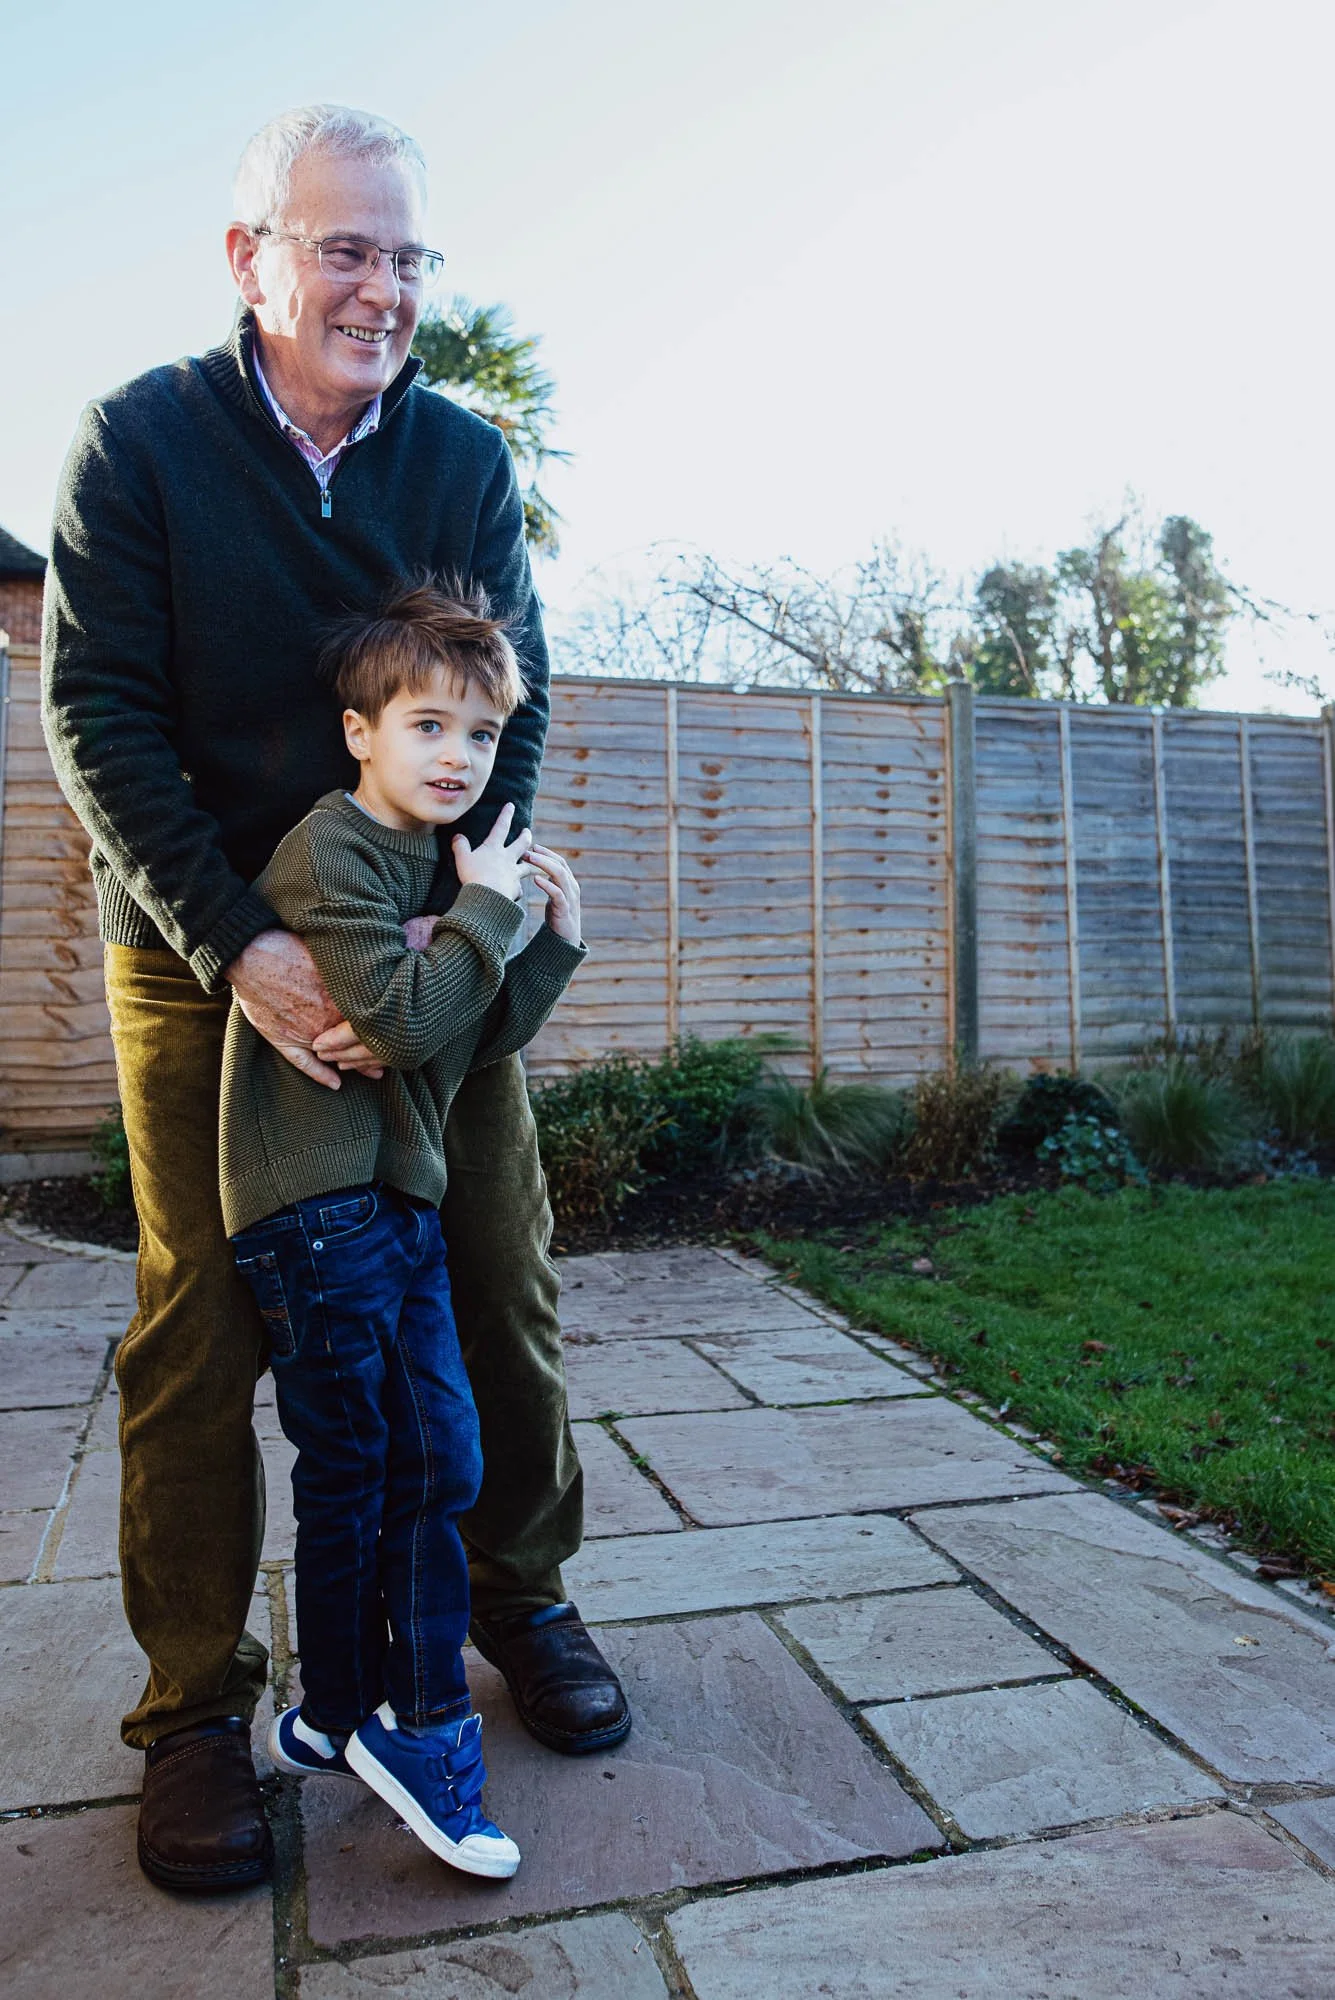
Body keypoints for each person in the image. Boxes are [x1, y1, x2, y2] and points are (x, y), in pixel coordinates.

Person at [41, 104, 628, 1896]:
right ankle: (197, 1714)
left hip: (423, 942)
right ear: (251, 260)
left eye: (405, 255)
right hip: (197, 941)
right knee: (202, 1319)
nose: (378, 287)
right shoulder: (140, 444)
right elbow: (100, 718)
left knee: (492, 1270)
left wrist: (478, 909)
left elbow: (505, 698)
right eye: (340, 246)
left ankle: (517, 1600)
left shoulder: (455, 456)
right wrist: (246, 944)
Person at [223, 582, 584, 1883]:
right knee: (431, 1468)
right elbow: (401, 1029)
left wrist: (547, 944)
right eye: (428, 727)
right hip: (331, 1206)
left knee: (362, 1470)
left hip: (377, 1194)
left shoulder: (423, 866)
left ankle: (332, 1710)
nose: (459, 759)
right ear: (358, 732)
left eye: (482, 738)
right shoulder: (332, 856)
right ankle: (424, 1730)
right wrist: (484, 911)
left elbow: (462, 1040)